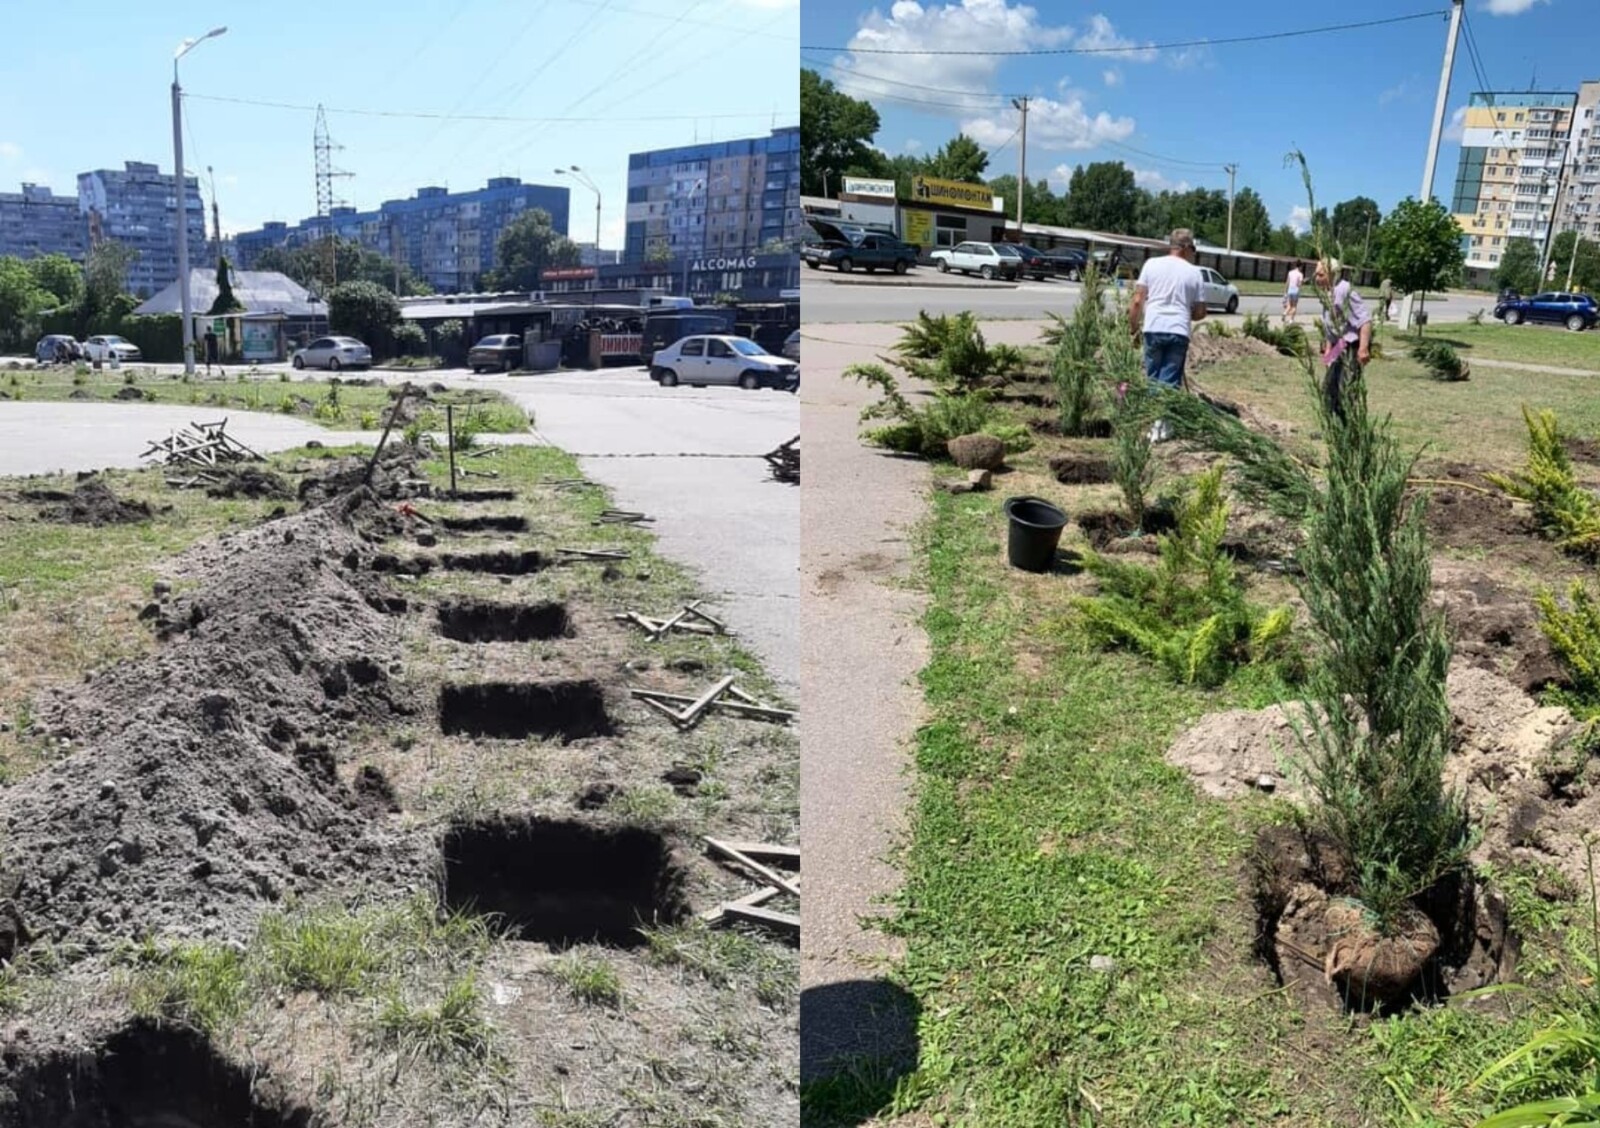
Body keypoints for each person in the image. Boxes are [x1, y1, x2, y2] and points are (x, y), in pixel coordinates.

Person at [1129, 228, 1207, 440]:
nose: (1193, 254)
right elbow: (1200, 311)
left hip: (1153, 328)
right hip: (1178, 331)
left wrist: (1133, 329)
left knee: (1153, 377)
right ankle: (1162, 426)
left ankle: (1155, 425)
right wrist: (1188, 311)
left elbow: (1137, 301)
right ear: (1186, 248)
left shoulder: (1151, 265)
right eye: (1193, 249)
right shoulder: (1194, 273)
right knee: (1170, 379)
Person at [1314, 257, 1372, 421]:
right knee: (1328, 388)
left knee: (1344, 390)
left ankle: (1349, 431)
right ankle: (1333, 429)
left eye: (1320, 274)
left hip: (1353, 345)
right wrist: (1328, 352)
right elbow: (1331, 324)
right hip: (1340, 344)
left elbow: (1365, 321)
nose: (1316, 278)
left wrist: (1363, 349)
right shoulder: (1328, 292)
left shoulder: (1345, 290)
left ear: (1332, 274)